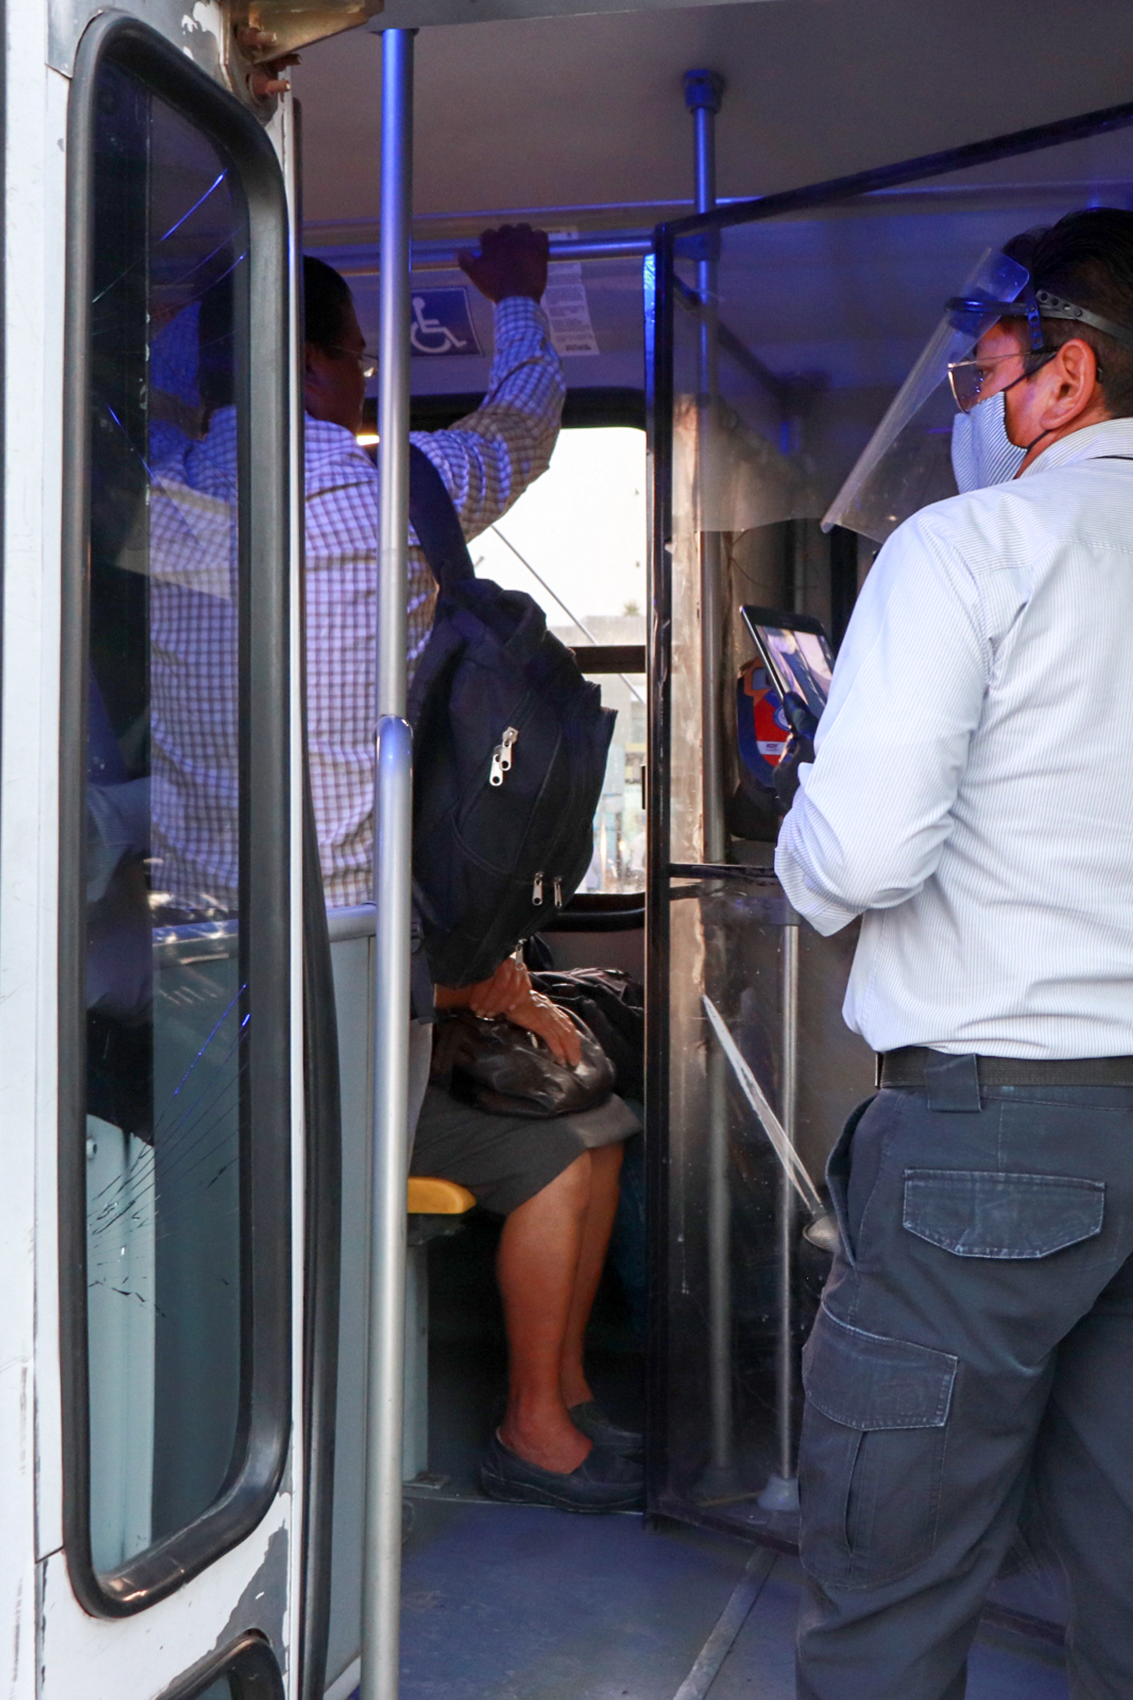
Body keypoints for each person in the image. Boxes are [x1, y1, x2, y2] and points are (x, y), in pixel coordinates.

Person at [772, 207, 1133, 1698]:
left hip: (988, 1132)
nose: (971, 412)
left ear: (1065, 377)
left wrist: (801, 805)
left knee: (893, 1591)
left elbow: (854, 862)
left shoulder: (969, 548)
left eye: (981, 379)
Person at [295, 233, 644, 1513]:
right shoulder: (390, 495)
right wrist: (515, 300)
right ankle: (536, 1419)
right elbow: (524, 423)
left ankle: (570, 1398)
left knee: (591, 1122)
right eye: (359, 357)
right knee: (568, 1139)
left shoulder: (146, 495)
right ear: (331, 367)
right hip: (348, 983)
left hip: (208, 988)